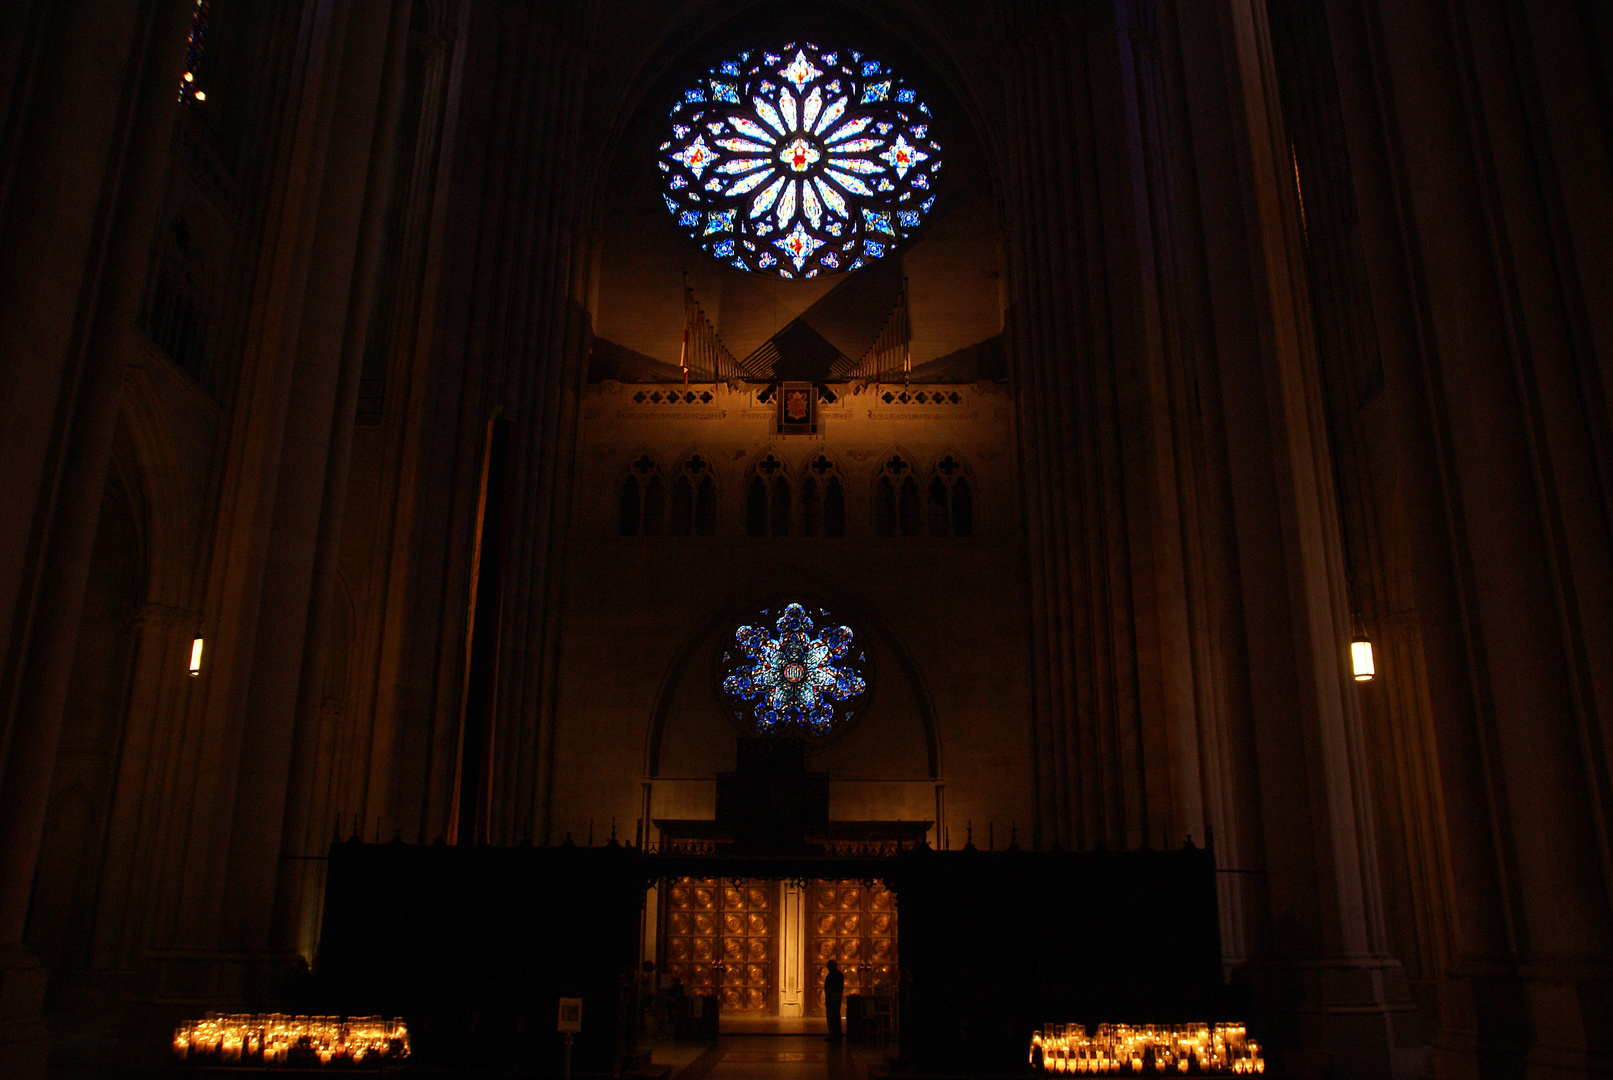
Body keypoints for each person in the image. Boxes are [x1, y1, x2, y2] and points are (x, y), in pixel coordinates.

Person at [823, 960, 845, 1042]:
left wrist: (829, 997)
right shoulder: (839, 975)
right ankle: (837, 1034)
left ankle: (833, 1035)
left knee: (832, 1017)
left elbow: (829, 987)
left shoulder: (832, 975)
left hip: (832, 998)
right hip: (837, 997)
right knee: (836, 1017)